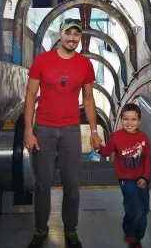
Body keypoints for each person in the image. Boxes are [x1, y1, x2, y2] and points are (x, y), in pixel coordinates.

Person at [24, 18, 101, 248]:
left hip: (70, 131)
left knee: (72, 184)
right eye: (68, 33)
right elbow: (30, 96)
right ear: (60, 34)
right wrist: (29, 130)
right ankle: (40, 229)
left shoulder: (85, 64)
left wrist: (95, 130)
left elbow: (88, 99)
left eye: (76, 35)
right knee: (42, 184)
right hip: (44, 129)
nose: (72, 39)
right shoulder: (42, 61)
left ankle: (70, 230)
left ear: (80, 37)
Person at [92, 103, 151, 248]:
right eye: (126, 119)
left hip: (142, 179)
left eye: (133, 119)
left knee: (144, 209)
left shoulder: (143, 138)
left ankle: (138, 237)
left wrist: (145, 177)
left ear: (139, 121)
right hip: (126, 180)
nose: (129, 123)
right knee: (137, 209)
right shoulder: (116, 137)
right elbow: (106, 152)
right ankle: (130, 233)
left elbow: (147, 159)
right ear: (121, 120)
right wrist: (98, 147)